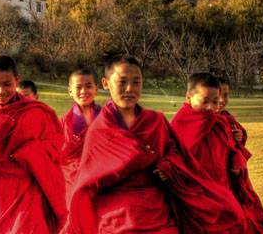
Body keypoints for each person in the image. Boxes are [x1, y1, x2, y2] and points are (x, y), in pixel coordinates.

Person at [69, 56, 244, 234]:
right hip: (117, 216)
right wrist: (138, 157)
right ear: (106, 83)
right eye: (122, 82)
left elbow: (176, 152)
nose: (130, 88)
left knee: (229, 212)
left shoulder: (156, 121)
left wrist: (168, 164)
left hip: (157, 212)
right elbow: (88, 180)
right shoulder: (99, 130)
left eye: (136, 82)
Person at [0, 55, 67, 234]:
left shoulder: (36, 111)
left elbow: (54, 148)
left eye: (7, 84)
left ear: (17, 80)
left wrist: (30, 152)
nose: (1, 90)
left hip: (29, 188)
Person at [171, 73, 263, 234]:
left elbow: (232, 149)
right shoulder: (182, 122)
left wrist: (237, 161)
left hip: (221, 187)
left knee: (236, 221)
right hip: (197, 193)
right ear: (189, 98)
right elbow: (171, 155)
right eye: (205, 102)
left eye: (214, 102)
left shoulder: (220, 122)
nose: (210, 107)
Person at [60, 68, 101, 203]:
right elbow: (56, 154)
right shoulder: (63, 121)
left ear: (96, 89)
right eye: (78, 87)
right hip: (72, 175)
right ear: (70, 91)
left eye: (88, 86)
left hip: (99, 171)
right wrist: (69, 145)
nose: (83, 91)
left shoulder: (106, 116)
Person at [216, 77, 245, 145]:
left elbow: (237, 143)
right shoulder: (203, 118)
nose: (222, 100)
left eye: (225, 96)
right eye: (217, 96)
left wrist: (238, 136)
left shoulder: (228, 117)